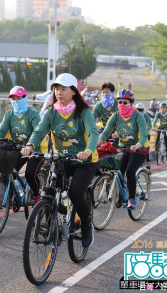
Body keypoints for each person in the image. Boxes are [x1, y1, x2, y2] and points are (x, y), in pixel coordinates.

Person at [21, 73, 99, 248]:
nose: (59, 92)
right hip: (61, 159)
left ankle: (86, 225)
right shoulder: (51, 112)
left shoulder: (83, 112)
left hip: (84, 162)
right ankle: (51, 219)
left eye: (63, 89)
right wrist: (30, 145)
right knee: (49, 190)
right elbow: (40, 131)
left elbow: (94, 133)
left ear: (73, 92)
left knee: (76, 193)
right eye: (56, 89)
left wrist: (87, 151)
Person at [0, 86, 48, 203]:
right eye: (13, 98)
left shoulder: (32, 114)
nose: (15, 101)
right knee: (8, 170)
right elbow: (2, 131)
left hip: (38, 148)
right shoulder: (9, 114)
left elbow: (38, 132)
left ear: (25, 98)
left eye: (18, 98)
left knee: (30, 174)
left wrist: (31, 146)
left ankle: (37, 195)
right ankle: (11, 196)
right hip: (19, 149)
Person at [98, 89, 149, 209]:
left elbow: (144, 136)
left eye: (125, 102)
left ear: (131, 103)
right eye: (119, 102)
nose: (121, 104)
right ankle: (121, 195)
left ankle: (131, 198)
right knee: (119, 171)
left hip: (139, 150)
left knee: (130, 171)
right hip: (124, 148)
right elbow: (106, 132)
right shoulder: (115, 116)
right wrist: (99, 141)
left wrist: (137, 145)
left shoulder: (138, 116)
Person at [135, 103, 152, 167]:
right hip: (136, 134)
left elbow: (150, 126)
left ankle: (147, 161)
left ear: (143, 110)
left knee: (146, 147)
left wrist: (144, 129)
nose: (139, 111)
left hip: (145, 134)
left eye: (141, 110)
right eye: (138, 110)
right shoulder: (134, 116)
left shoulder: (146, 116)